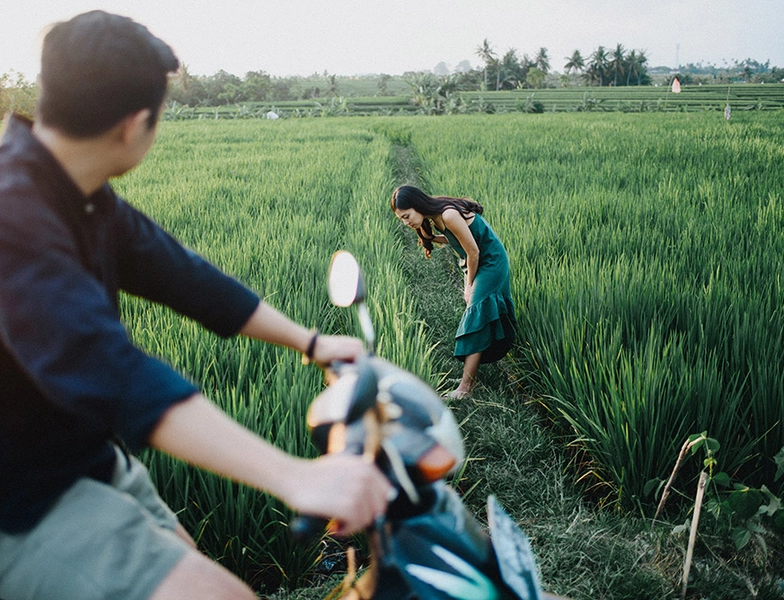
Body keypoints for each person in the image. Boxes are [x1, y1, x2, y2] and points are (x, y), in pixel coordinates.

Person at [0, 11, 391, 600]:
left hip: (86, 456)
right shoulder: (13, 218)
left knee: (190, 559)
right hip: (22, 499)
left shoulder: (77, 193)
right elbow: (112, 370)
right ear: (136, 126)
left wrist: (309, 342)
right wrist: (295, 477)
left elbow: (184, 277)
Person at [391, 185, 516, 399]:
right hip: (479, 261)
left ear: (417, 206)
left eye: (406, 216)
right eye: (401, 219)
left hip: (491, 262)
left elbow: (473, 251)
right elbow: (457, 238)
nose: (406, 222)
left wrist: (469, 285)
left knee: (476, 316)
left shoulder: (448, 214)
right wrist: (433, 239)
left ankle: (465, 388)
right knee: (478, 316)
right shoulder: (436, 217)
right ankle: (467, 377)